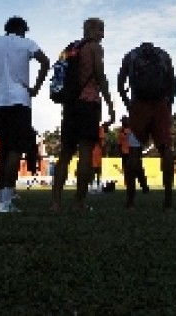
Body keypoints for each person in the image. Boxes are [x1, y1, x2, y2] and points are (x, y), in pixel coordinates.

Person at [0, 16, 50, 213]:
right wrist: (35, 87)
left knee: (4, 151)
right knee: (15, 150)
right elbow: (45, 62)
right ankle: (5, 200)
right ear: (21, 29)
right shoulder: (26, 43)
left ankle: (3, 194)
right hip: (20, 100)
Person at [52, 17, 115, 211]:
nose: (102, 35)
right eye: (100, 30)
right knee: (86, 151)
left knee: (65, 153)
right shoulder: (94, 48)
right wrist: (110, 103)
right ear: (90, 29)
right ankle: (79, 202)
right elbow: (99, 75)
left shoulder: (70, 49)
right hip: (89, 103)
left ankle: (56, 202)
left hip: (70, 104)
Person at [117, 41, 176, 209]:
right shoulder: (163, 55)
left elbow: (120, 82)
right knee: (165, 149)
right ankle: (168, 200)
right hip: (160, 104)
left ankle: (130, 201)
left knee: (134, 150)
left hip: (138, 104)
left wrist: (127, 102)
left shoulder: (131, 55)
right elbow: (172, 82)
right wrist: (168, 103)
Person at [117, 116, 149, 193]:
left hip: (133, 152)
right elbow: (119, 144)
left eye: (125, 121)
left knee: (139, 170)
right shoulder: (121, 132)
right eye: (123, 121)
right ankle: (130, 186)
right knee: (128, 171)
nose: (124, 122)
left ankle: (144, 186)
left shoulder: (133, 130)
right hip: (125, 154)